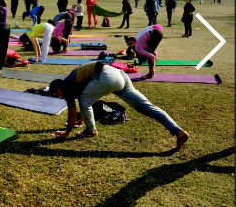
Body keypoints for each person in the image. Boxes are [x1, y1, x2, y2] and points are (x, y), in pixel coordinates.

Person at [48, 62, 189, 150]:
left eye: (57, 94)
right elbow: (88, 101)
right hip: (117, 74)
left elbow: (72, 111)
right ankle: (178, 132)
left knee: (83, 100)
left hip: (106, 76)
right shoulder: (74, 81)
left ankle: (91, 131)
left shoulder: (66, 85)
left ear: (59, 88)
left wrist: (67, 132)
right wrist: (81, 121)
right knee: (145, 106)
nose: (59, 96)